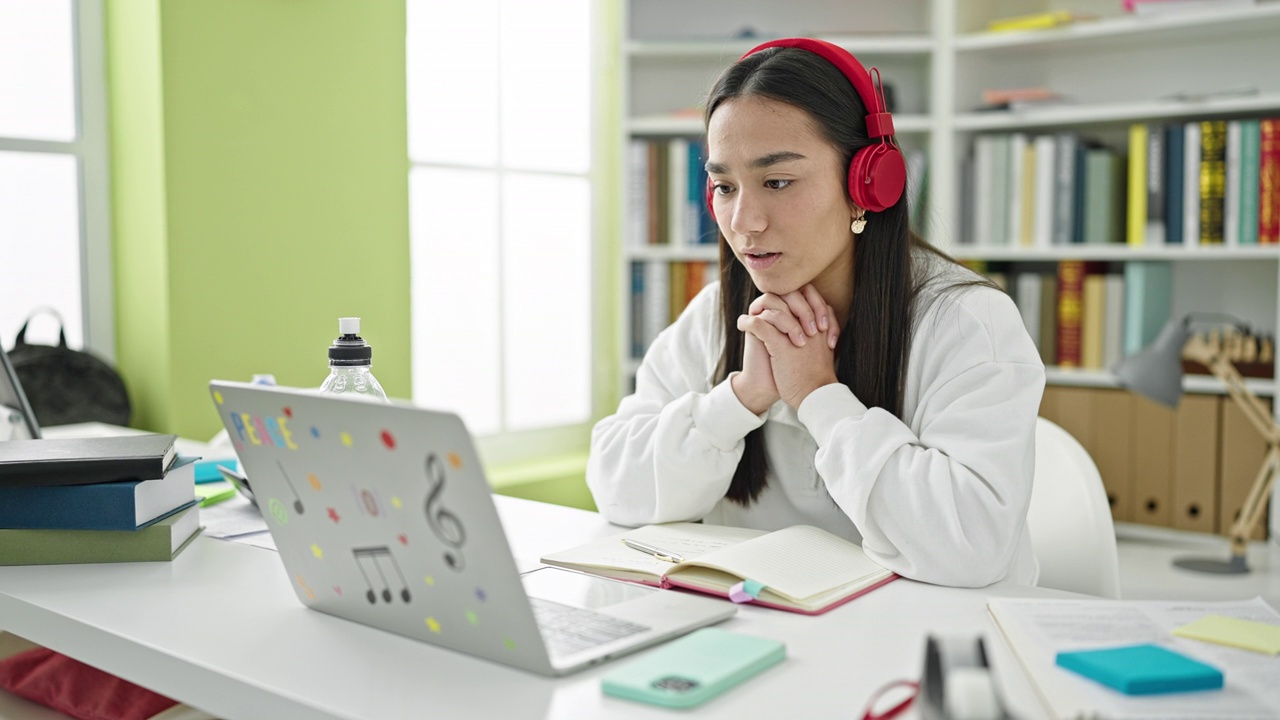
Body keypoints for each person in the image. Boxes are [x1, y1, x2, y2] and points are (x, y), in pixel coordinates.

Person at [587, 38, 1046, 588]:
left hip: (919, 645)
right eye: (724, 186)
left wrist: (818, 396)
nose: (744, 221)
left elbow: (972, 547)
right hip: (763, 638)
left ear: (867, 186)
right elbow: (615, 489)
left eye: (777, 182)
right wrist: (740, 399)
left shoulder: (968, 323)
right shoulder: (716, 312)